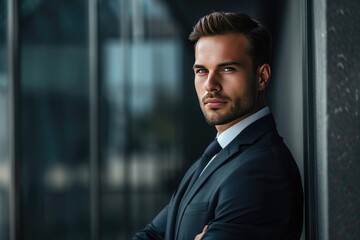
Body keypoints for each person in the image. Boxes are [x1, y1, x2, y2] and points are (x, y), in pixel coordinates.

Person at [133, 12, 303, 240]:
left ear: (262, 77)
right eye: (201, 71)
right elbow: (151, 234)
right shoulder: (214, 157)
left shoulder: (259, 171)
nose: (210, 85)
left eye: (227, 69)